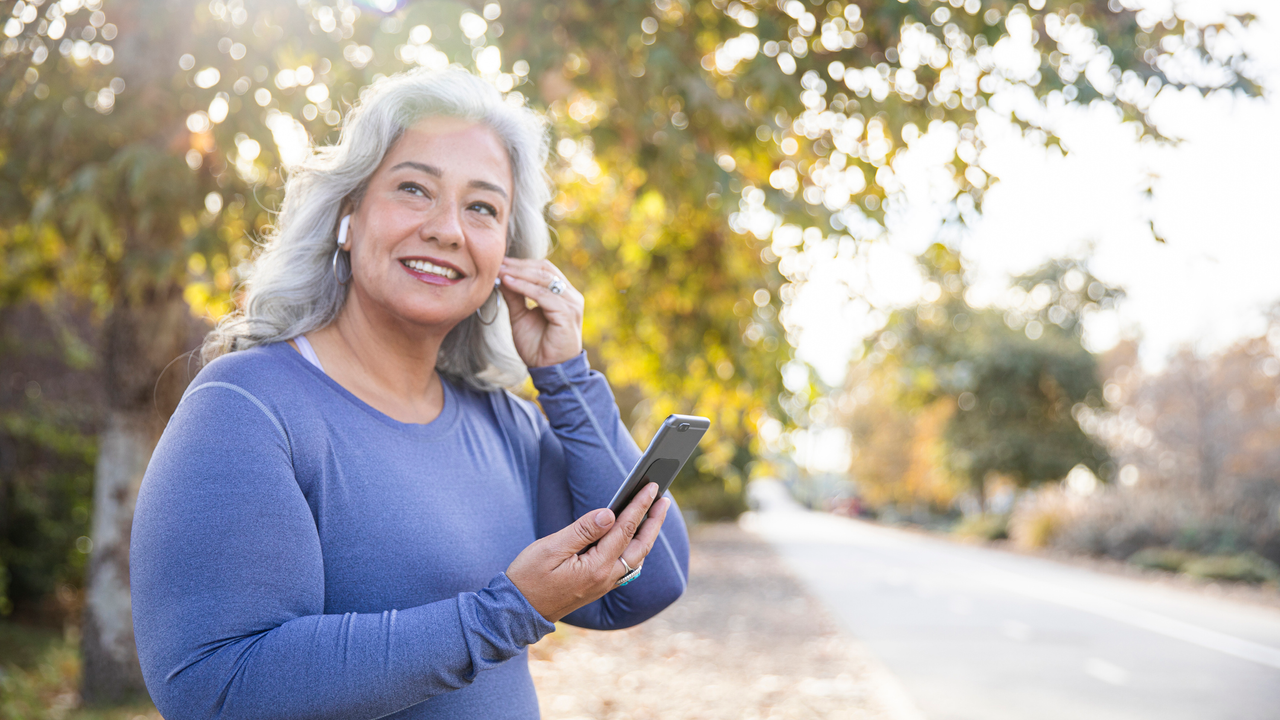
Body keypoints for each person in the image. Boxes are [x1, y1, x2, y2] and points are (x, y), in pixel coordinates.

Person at [129, 67, 690, 720]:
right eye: (414, 189)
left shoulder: (505, 424)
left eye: (482, 207)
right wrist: (509, 611)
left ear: (508, 255)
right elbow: (218, 686)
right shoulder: (246, 406)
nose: (448, 229)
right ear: (348, 215)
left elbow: (642, 586)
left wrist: (567, 378)